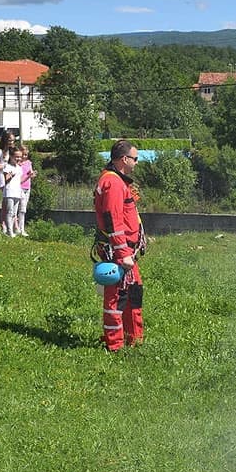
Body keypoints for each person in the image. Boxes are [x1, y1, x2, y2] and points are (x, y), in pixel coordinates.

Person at [93, 140, 145, 352]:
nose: (136, 163)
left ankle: (134, 340)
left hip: (124, 249)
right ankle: (114, 344)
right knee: (117, 299)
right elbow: (112, 219)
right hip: (117, 251)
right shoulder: (113, 183)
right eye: (135, 159)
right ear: (125, 159)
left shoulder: (117, 181)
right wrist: (123, 253)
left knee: (133, 294)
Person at [0, 131, 17, 233]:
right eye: (10, 140)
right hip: (3, 178)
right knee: (6, 203)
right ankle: (3, 224)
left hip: (12, 177)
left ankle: (13, 224)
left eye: (13, 140)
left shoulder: (12, 151)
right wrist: (5, 166)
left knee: (12, 203)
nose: (11, 142)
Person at [0, 147, 22, 236]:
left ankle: (12, 229)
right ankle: (9, 231)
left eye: (20, 157)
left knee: (14, 213)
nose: (18, 159)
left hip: (17, 192)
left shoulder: (19, 168)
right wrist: (10, 176)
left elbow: (20, 180)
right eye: (16, 157)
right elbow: (6, 180)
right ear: (11, 156)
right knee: (9, 212)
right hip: (9, 192)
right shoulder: (7, 167)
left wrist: (29, 176)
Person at [18, 145, 34, 237]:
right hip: (20, 186)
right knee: (20, 208)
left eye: (26, 155)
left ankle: (21, 228)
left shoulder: (28, 163)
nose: (24, 156)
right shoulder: (18, 164)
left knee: (23, 209)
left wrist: (32, 174)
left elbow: (30, 172)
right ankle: (18, 228)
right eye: (23, 155)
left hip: (27, 187)